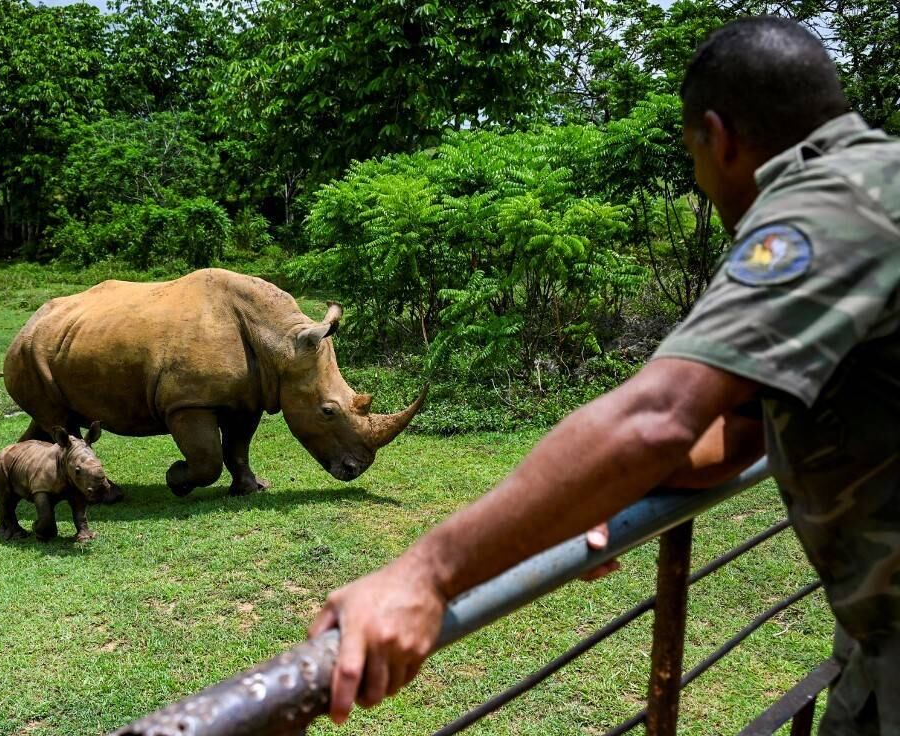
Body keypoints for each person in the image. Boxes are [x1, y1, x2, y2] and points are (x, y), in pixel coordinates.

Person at [308, 16, 900, 735]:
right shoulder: (879, 181)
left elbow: (657, 418)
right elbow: (739, 436)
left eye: (693, 157)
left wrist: (421, 574)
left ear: (718, 137)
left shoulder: (825, 211)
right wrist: (588, 493)